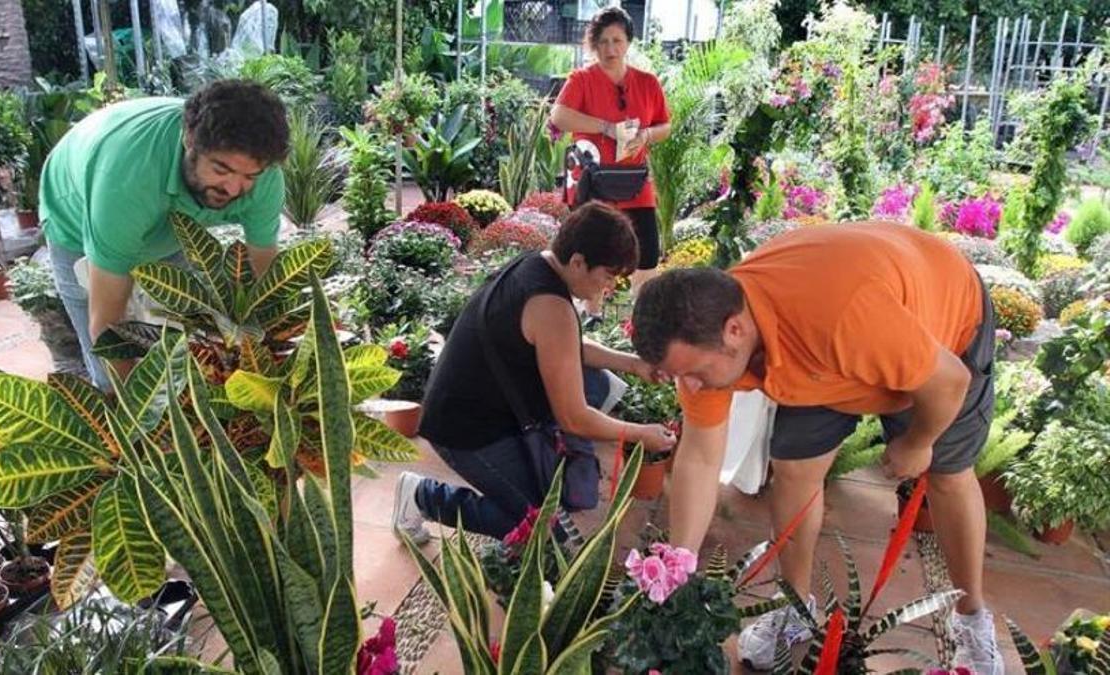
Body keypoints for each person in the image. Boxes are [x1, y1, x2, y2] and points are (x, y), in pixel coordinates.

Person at [629, 222, 1002, 675]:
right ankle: (794, 607)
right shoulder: (703, 336)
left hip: (939, 326)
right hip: (826, 352)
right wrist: (678, 568)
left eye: (692, 373)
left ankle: (972, 622)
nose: (688, 386)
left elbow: (949, 381)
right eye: (677, 375)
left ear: (734, 331)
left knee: (947, 475)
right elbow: (701, 457)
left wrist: (917, 442)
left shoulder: (844, 316)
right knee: (794, 469)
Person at [392, 201, 677, 544]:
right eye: (608, 276)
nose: (609, 287)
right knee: (541, 527)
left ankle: (530, 479)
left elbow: (567, 346)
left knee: (597, 384)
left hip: (473, 403)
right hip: (465, 431)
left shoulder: (538, 264)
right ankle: (422, 496)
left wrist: (633, 363)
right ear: (578, 262)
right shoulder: (549, 306)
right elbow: (573, 418)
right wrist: (639, 433)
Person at [39, 79, 289, 390]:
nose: (235, 189)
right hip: (77, 217)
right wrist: (136, 410)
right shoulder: (125, 184)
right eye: (222, 170)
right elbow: (107, 327)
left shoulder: (263, 178)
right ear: (189, 141)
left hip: (166, 219)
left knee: (177, 350)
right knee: (110, 371)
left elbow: (266, 272)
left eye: (249, 176)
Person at [550, 6, 671, 317]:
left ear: (628, 42)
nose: (610, 49)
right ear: (594, 44)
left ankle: (639, 319)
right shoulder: (581, 79)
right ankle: (592, 316)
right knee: (592, 249)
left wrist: (645, 136)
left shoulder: (647, 82)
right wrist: (605, 127)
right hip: (592, 179)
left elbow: (665, 126)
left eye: (617, 40)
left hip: (634, 180)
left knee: (647, 254)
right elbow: (559, 116)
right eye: (603, 41)